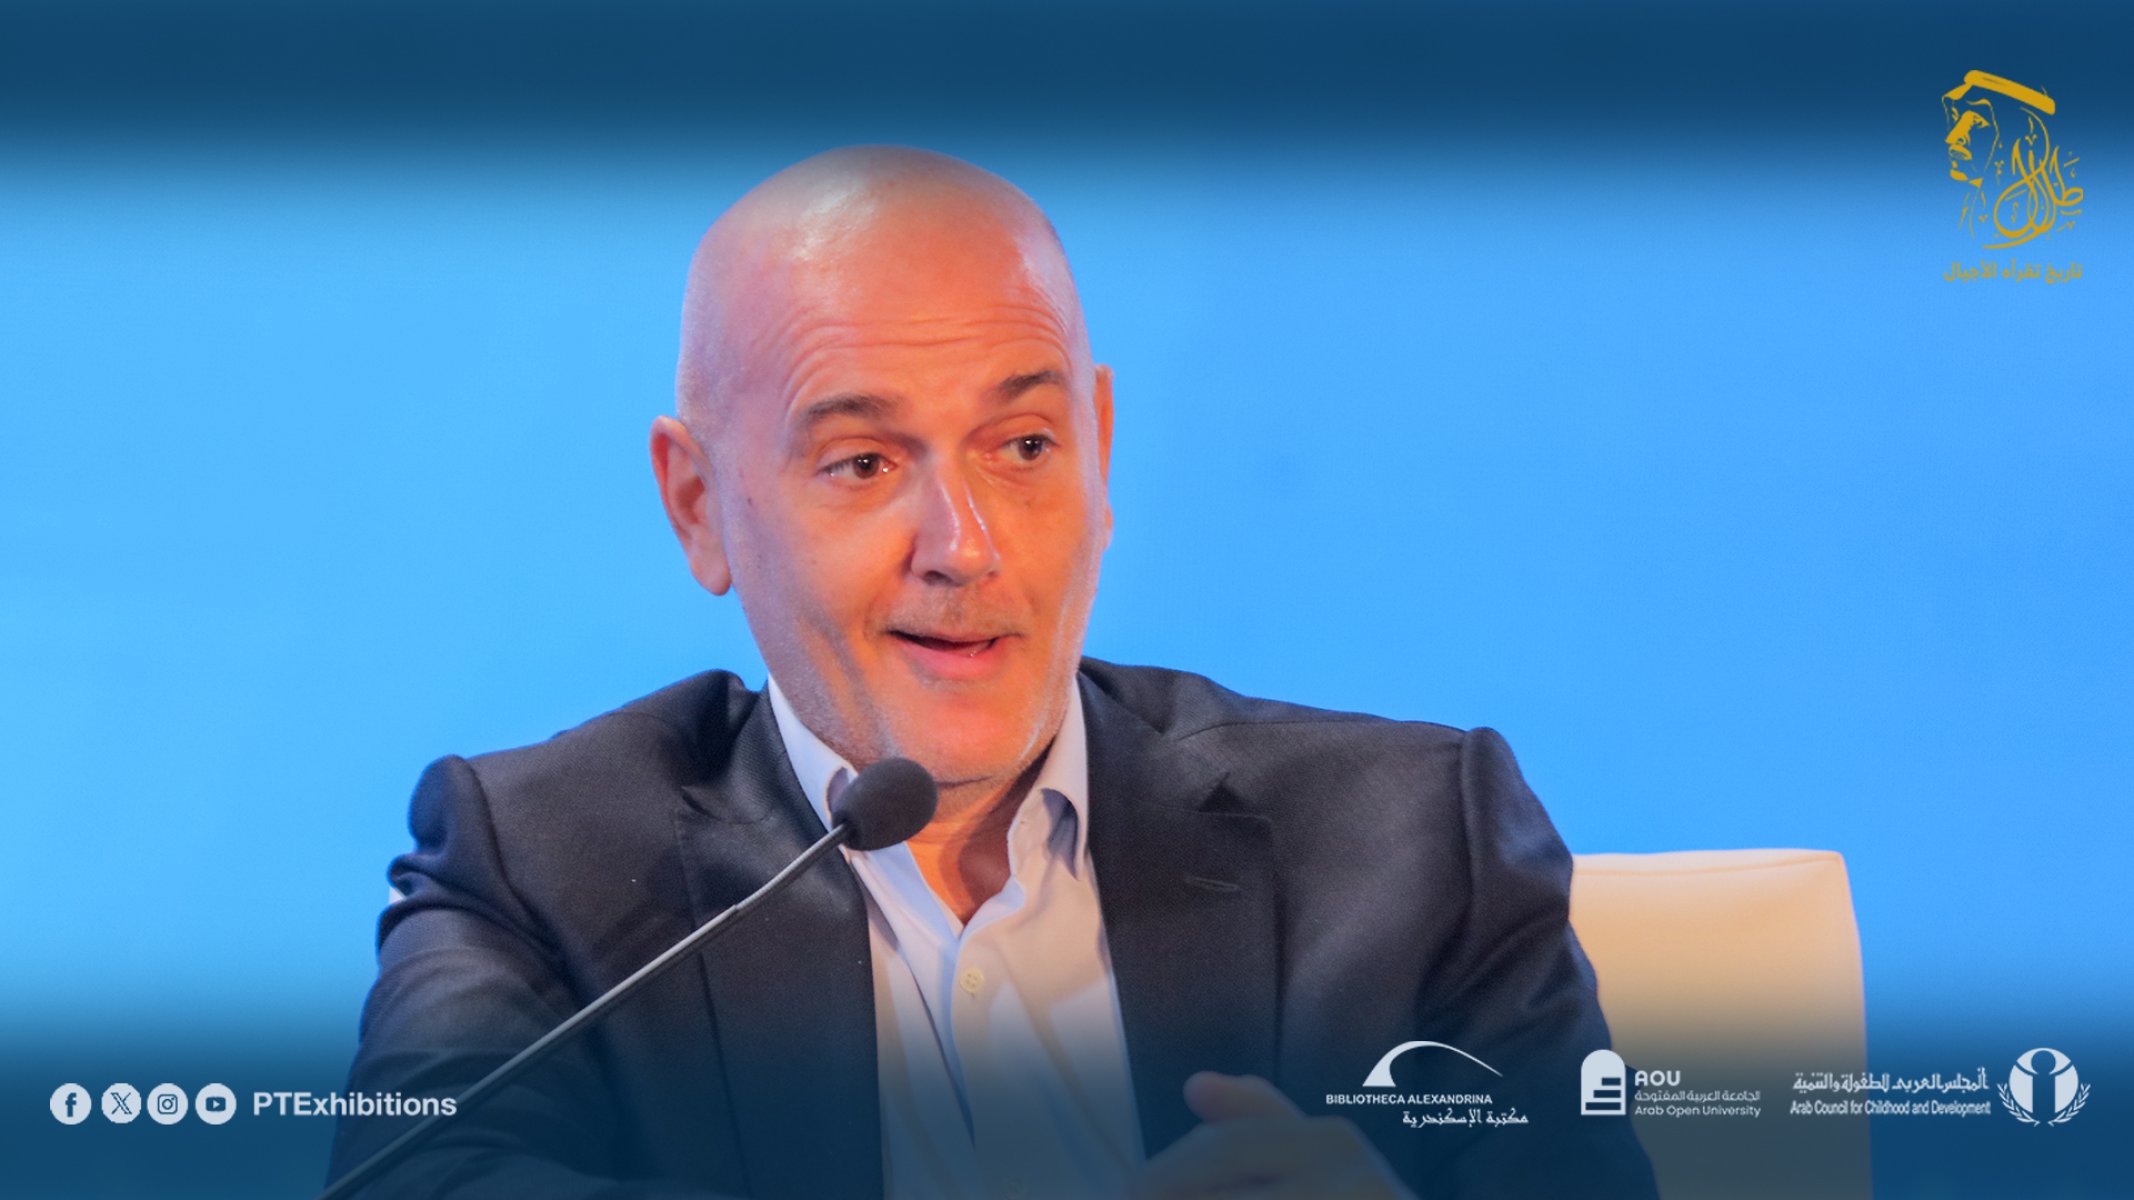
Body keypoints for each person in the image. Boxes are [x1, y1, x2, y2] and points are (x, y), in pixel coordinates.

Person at [329, 145, 1657, 1199]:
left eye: (1023, 446)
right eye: (862, 463)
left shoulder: (1414, 844)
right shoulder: (543, 863)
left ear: (1100, 450)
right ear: (698, 506)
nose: (964, 548)